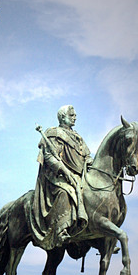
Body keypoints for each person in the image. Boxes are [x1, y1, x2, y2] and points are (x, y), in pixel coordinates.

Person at [31, 105, 92, 250]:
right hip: (58, 176)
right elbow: (49, 157)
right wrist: (64, 171)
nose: (75, 117)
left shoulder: (77, 137)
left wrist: (89, 160)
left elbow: (87, 155)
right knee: (65, 192)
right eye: (72, 115)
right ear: (62, 117)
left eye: (75, 115)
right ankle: (60, 230)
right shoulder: (54, 133)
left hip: (79, 176)